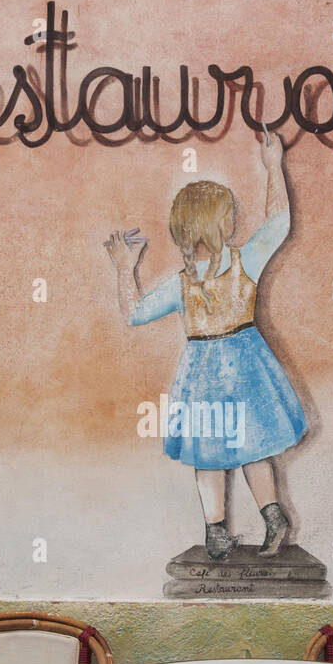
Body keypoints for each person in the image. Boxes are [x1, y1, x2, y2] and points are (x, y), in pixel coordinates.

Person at [105, 134, 307, 561]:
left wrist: (274, 166)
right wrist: (125, 269)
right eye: (228, 215)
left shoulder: (218, 270)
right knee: (226, 451)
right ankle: (232, 527)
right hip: (223, 373)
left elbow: (278, 224)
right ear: (217, 224)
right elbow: (136, 313)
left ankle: (256, 520)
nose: (233, 219)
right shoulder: (209, 273)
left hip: (224, 372)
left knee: (233, 451)